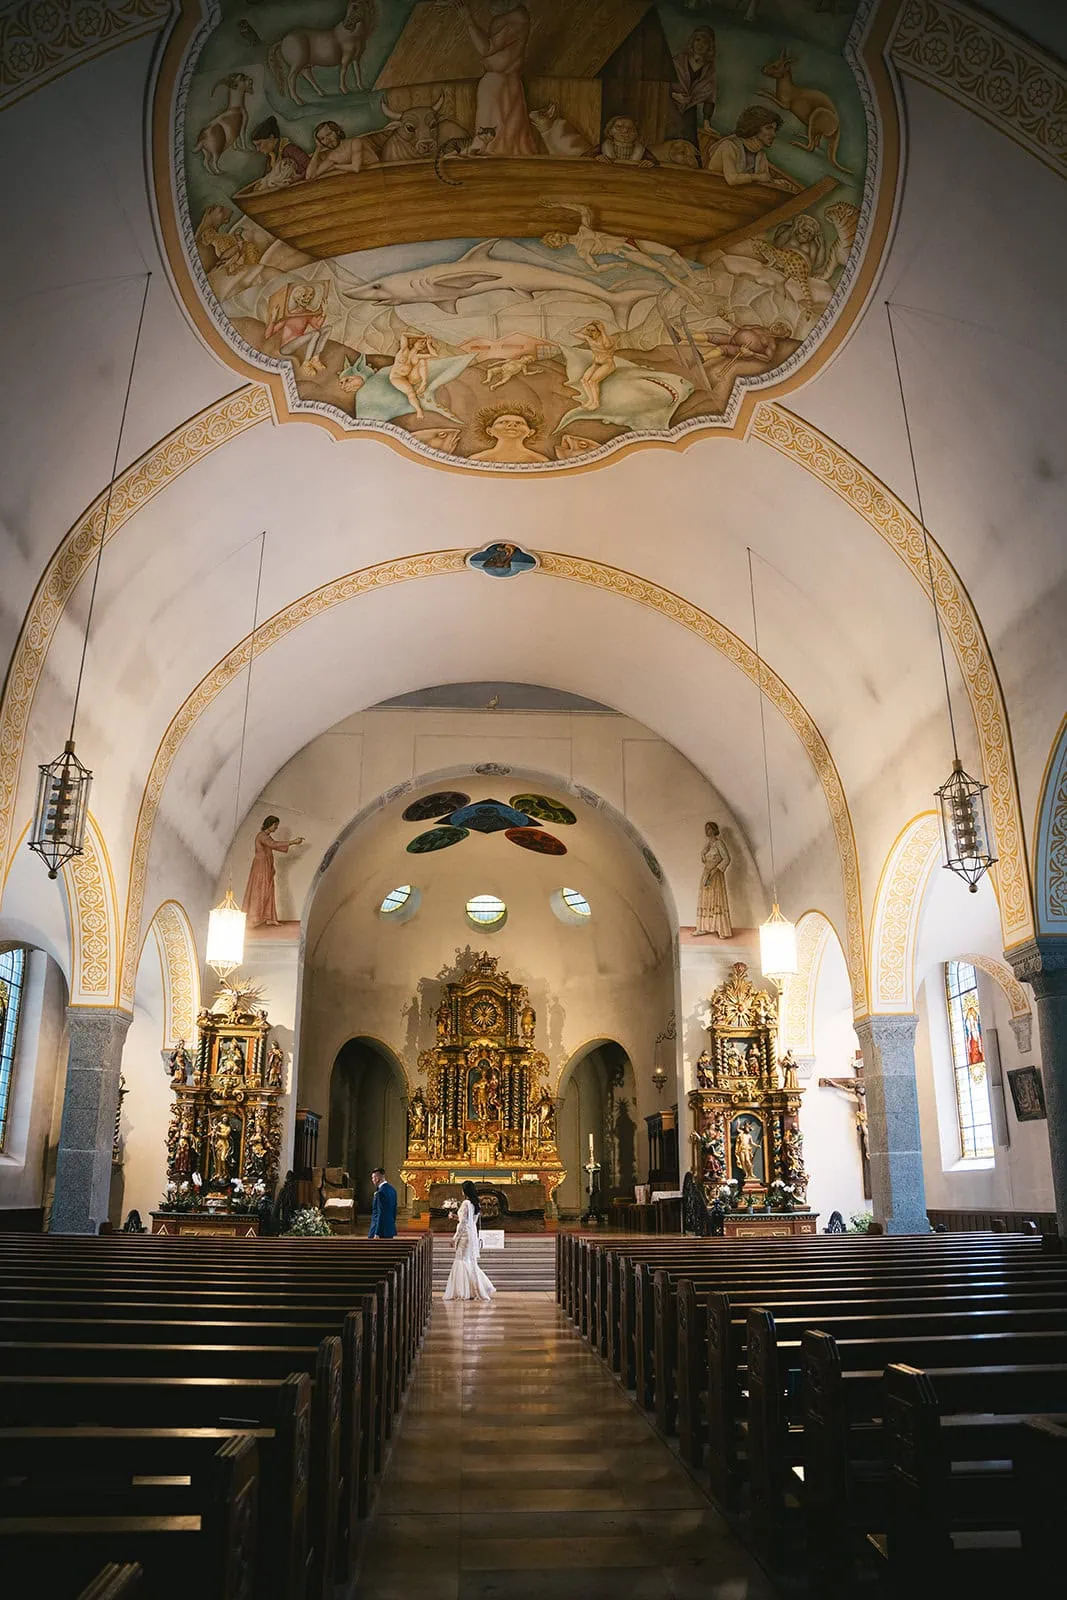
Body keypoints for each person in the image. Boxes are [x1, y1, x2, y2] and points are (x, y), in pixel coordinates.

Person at [705, 106, 795, 189]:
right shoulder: (729, 146)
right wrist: (758, 177)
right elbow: (732, 179)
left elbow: (762, 179)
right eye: (768, 128)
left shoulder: (761, 155)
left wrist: (775, 182)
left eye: (774, 130)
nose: (774, 134)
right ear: (754, 128)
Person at [242, 815, 305, 927]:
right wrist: (293, 842)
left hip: (267, 865)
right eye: (275, 825)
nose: (276, 827)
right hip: (261, 866)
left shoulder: (267, 836)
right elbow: (273, 845)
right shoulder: (261, 836)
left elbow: (275, 846)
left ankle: (269, 917)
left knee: (269, 890)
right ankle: (254, 918)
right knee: (259, 890)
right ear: (269, 824)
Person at [443, 1180, 496, 1301]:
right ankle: (474, 1289)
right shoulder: (475, 1204)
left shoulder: (465, 1203)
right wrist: (456, 1217)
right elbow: (470, 1221)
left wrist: (454, 1238)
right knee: (469, 1261)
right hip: (471, 1234)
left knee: (461, 1260)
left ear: (465, 1191)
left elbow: (463, 1224)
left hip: (464, 1236)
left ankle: (462, 1292)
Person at [695, 820, 733, 936]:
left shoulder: (719, 843)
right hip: (706, 873)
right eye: (706, 829)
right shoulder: (708, 845)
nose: (707, 831)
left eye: (709, 828)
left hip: (716, 874)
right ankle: (704, 927)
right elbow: (705, 859)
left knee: (716, 899)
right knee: (706, 899)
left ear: (714, 830)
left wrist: (716, 869)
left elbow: (726, 859)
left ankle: (721, 929)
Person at [368, 1166, 398, 1239]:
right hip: (389, 1228)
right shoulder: (393, 1190)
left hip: (379, 1230)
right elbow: (394, 1210)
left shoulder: (380, 1192)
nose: (372, 1180)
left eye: (373, 1178)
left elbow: (380, 1213)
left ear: (377, 1178)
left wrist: (377, 1232)